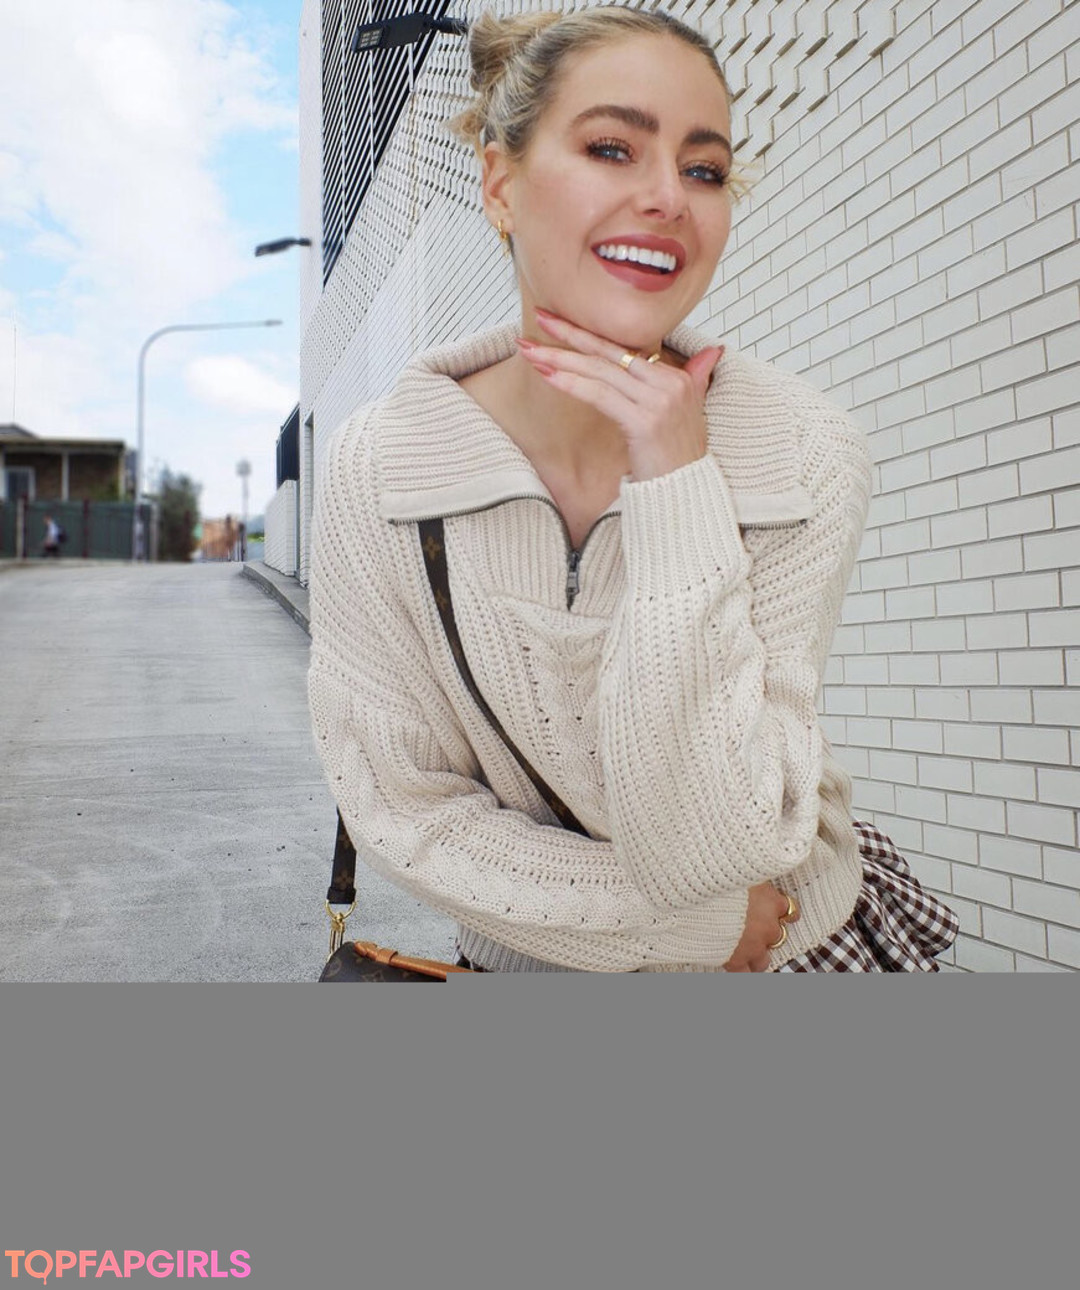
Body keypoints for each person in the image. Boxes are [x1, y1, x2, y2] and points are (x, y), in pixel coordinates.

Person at [307, 6, 958, 972]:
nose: (667, 197)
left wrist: (677, 481)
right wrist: (685, 927)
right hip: (549, 971)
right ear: (499, 184)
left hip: (790, 954)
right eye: (612, 148)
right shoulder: (382, 464)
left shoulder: (799, 450)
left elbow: (719, 842)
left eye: (704, 169)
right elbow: (401, 806)